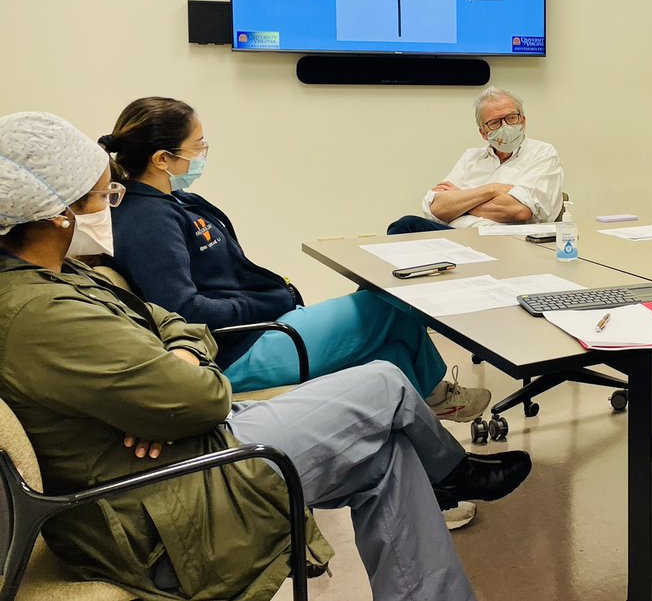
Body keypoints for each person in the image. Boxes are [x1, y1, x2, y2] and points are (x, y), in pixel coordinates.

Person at [0, 111, 533, 601]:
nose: (112, 207)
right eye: (101, 198)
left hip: (182, 449)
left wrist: (176, 367)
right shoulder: (42, 314)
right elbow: (203, 396)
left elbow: (173, 325)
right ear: (55, 212)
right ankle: (453, 469)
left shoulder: (65, 275)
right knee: (384, 383)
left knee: (387, 455)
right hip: (165, 501)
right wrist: (179, 383)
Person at [100, 97, 488, 423]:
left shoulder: (174, 200)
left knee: (393, 358)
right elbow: (182, 310)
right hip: (236, 349)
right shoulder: (147, 220)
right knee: (388, 304)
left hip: (256, 327)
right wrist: (274, 299)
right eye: (197, 147)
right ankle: (438, 400)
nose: (202, 155)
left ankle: (435, 471)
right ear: (162, 159)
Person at [387, 86, 564, 233]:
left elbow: (520, 211)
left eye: (511, 118)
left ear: (523, 121)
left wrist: (461, 200)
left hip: (508, 241)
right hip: (458, 237)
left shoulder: (543, 153)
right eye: (495, 122)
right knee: (404, 226)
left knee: (407, 227)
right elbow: (436, 208)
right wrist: (492, 189)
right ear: (483, 133)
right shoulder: (471, 157)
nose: (505, 127)